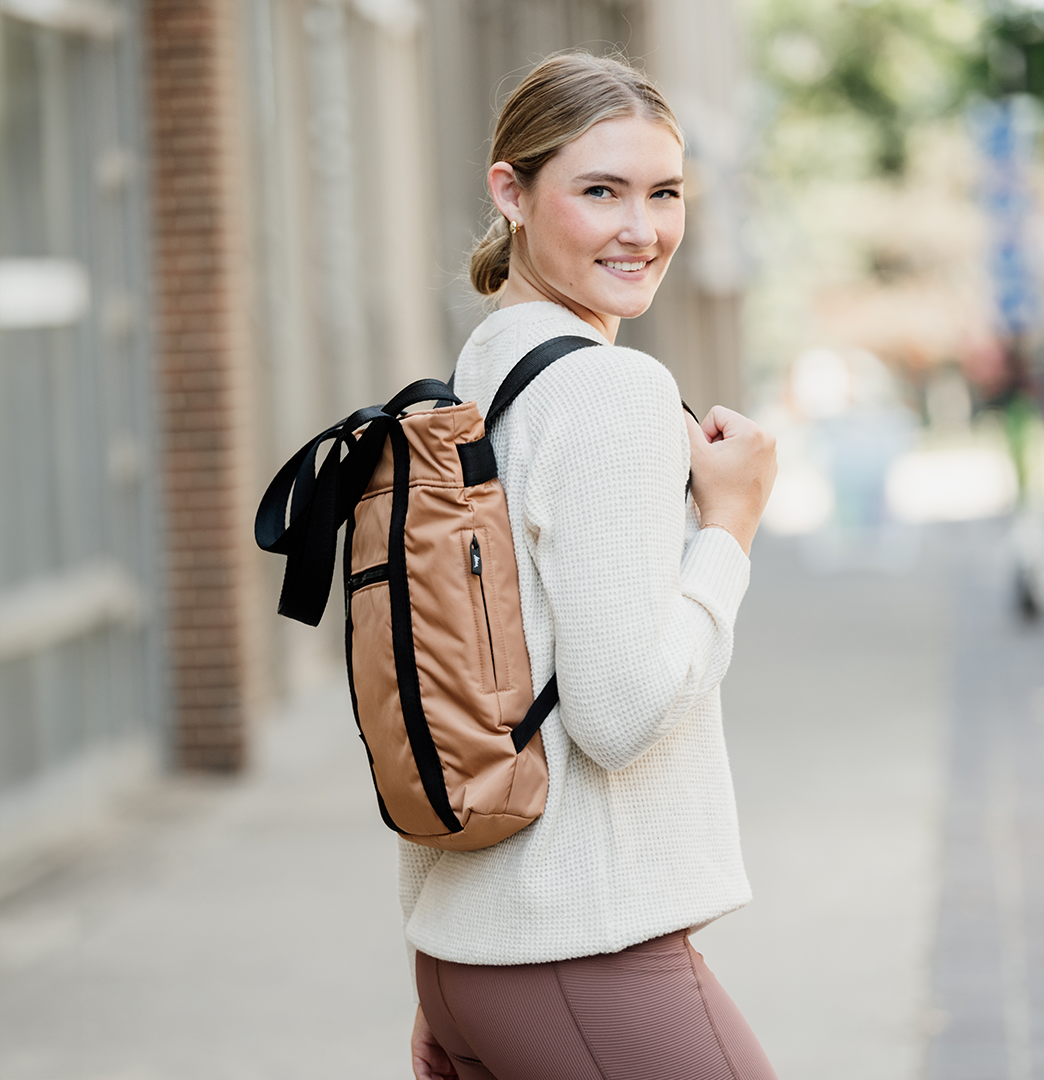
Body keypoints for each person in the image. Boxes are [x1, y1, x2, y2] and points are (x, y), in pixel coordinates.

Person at [405, 51, 779, 1080]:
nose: (643, 229)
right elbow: (618, 716)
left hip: (471, 955)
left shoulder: (484, 368)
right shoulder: (608, 392)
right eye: (600, 192)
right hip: (581, 946)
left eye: (665, 193)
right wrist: (730, 527)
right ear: (510, 192)